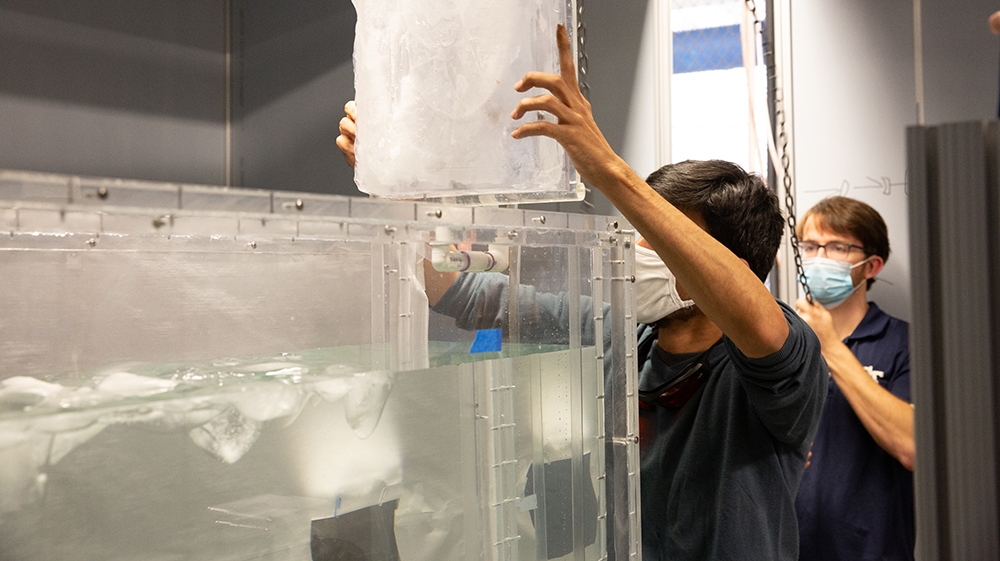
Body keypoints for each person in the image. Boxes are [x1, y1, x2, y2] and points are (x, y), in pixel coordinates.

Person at [337, 25, 827, 560]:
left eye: (659, 238)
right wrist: (400, 194)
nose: (637, 251)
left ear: (725, 260)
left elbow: (755, 319)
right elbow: (457, 291)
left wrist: (608, 167)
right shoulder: (621, 337)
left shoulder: (782, 362)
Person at [794, 196, 914, 560]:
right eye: (811, 246)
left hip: (872, 550)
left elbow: (911, 445)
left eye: (838, 247)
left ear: (871, 266)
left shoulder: (904, 342)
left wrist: (831, 345)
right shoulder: (784, 344)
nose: (819, 258)